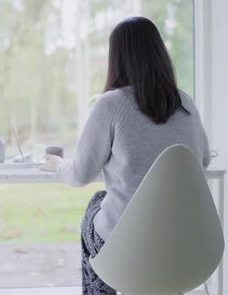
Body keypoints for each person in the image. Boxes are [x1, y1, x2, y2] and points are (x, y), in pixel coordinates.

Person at [41, 16, 211, 295]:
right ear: (159, 53)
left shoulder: (110, 104)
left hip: (130, 251)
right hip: (187, 249)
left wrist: (59, 165)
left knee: (96, 205)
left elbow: (81, 174)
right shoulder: (185, 103)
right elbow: (203, 160)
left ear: (117, 57)